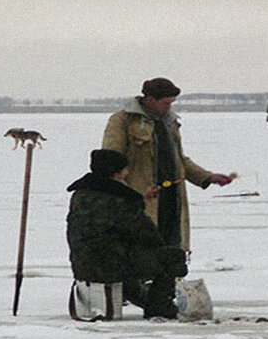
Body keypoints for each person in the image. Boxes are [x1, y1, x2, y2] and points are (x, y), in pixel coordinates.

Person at [102, 77, 234, 253]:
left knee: (171, 251)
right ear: (150, 100)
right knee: (142, 249)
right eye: (166, 103)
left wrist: (207, 177)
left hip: (171, 198)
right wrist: (127, 194)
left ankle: (169, 279)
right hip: (142, 199)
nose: (169, 107)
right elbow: (111, 161)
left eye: (172, 103)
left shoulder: (169, 122)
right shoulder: (122, 120)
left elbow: (180, 160)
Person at [67, 149, 188, 319]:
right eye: (124, 169)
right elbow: (146, 234)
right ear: (116, 174)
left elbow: (106, 221)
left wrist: (138, 200)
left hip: (82, 264)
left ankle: (146, 300)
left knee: (119, 257)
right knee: (172, 257)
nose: (127, 172)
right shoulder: (122, 198)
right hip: (109, 266)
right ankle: (159, 307)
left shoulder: (79, 195)